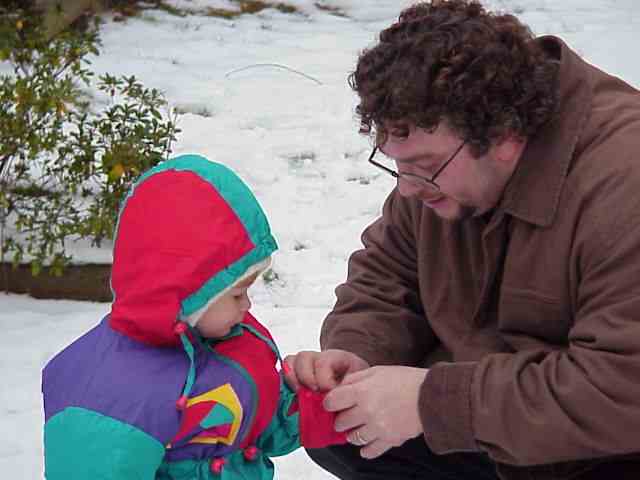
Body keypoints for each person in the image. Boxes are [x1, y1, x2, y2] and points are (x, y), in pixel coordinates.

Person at [283, 1, 640, 479]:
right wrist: (359, 352)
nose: (406, 188)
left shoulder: (623, 183)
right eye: (397, 164)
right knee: (346, 433)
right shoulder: (442, 161)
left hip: (605, 437)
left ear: (505, 135)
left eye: (424, 168)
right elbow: (386, 277)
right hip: (501, 414)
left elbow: (622, 387)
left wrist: (434, 403)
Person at [42, 154, 346, 480]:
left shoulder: (228, 341)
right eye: (236, 294)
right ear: (188, 293)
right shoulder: (108, 396)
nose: (247, 306)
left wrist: (318, 402)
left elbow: (254, 427)